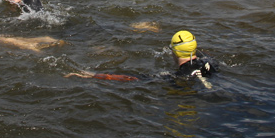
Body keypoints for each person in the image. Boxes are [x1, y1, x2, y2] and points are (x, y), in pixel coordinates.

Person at [64, 30, 215, 86]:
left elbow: (131, 78)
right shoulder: (207, 61)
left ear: (173, 52)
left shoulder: (177, 77)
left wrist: (93, 75)